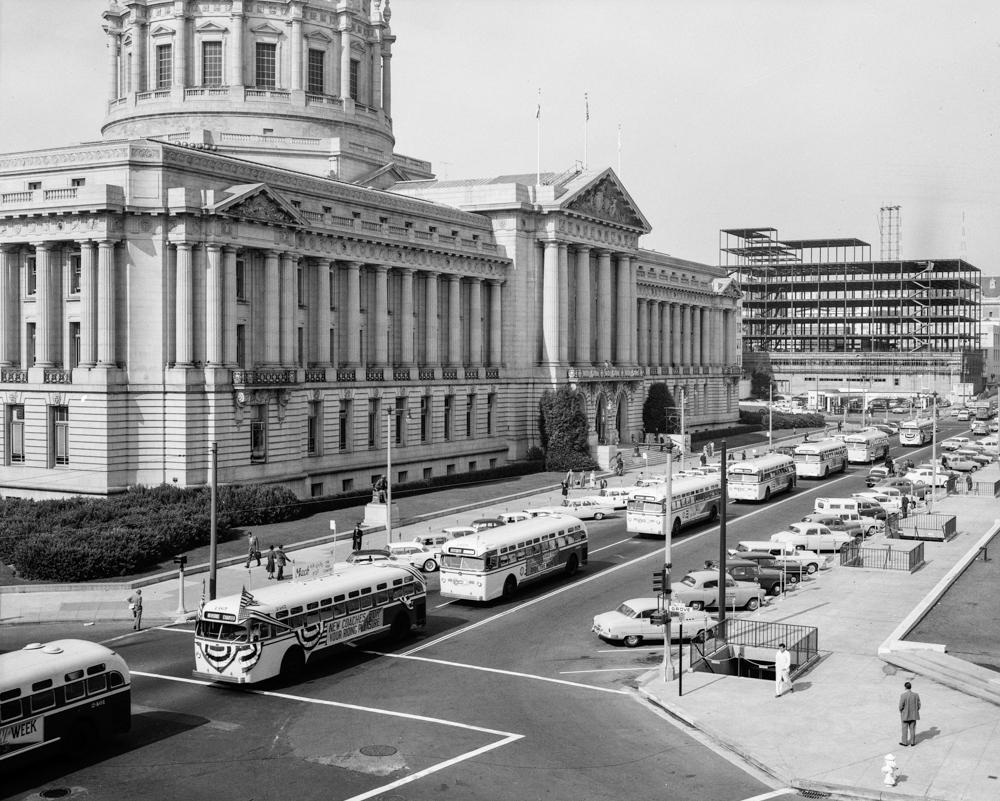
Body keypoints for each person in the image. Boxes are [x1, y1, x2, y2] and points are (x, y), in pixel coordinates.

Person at [899, 680, 921, 746]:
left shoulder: (903, 695)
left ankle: (904, 742)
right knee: (912, 729)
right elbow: (919, 705)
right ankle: (912, 742)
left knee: (904, 729)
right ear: (910, 687)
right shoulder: (916, 695)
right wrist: (915, 711)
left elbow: (900, 706)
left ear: (905, 687)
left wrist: (902, 712)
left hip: (905, 715)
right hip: (913, 715)